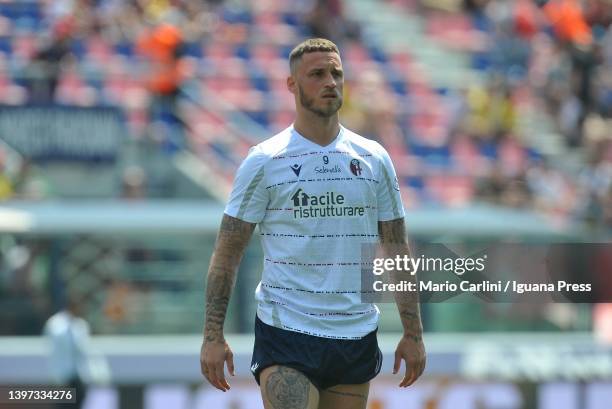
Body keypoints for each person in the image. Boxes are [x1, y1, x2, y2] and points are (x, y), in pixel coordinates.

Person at [200, 38, 426, 409]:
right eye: (317, 74)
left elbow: (397, 248)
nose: (330, 82)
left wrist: (413, 333)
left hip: (355, 331)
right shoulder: (265, 161)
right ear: (291, 85)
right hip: (286, 329)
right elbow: (227, 253)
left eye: (336, 73)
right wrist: (212, 336)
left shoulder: (374, 158)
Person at [43, 292, 111, 408]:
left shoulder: (81, 325)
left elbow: (86, 350)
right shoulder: (56, 324)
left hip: (78, 377)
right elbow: (55, 346)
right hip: (62, 376)